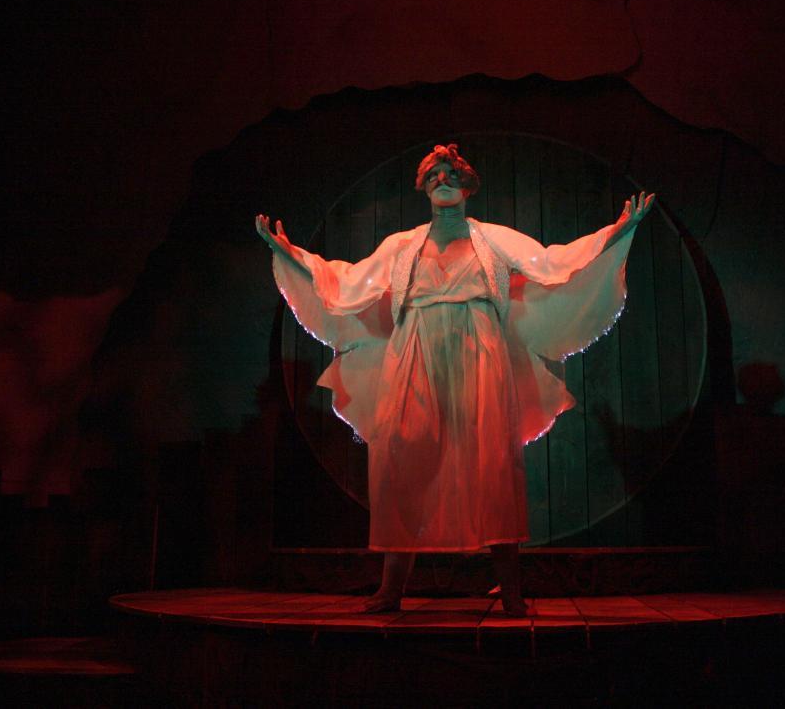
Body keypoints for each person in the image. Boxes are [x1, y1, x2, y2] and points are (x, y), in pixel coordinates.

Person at [256, 143, 653, 616]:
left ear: (467, 185)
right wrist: (292, 254)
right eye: (433, 176)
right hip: (415, 349)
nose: (442, 181)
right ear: (423, 188)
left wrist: (616, 231)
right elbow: (347, 281)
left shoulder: (492, 238)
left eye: (450, 174)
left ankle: (511, 591)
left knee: (490, 459)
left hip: (478, 349)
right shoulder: (403, 245)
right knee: (401, 456)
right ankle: (391, 588)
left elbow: (553, 262)